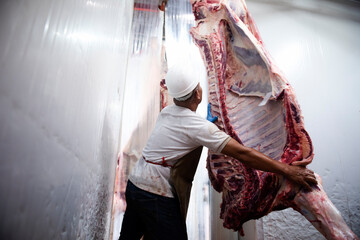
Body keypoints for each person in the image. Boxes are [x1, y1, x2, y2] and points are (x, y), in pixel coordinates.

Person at [119, 66, 317, 240]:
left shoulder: (166, 113)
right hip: (155, 194)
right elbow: (243, 154)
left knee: (128, 237)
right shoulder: (197, 127)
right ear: (198, 93)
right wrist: (287, 171)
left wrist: (204, 124)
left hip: (135, 185)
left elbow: (183, 133)